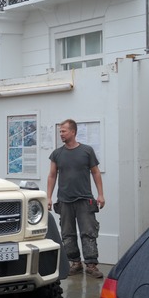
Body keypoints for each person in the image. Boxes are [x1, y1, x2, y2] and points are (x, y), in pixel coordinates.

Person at [47, 119, 105, 278]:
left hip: (85, 200)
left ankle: (91, 265)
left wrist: (100, 194)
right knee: (67, 233)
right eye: (60, 131)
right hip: (65, 201)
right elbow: (52, 176)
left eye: (64, 131)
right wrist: (48, 197)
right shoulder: (57, 154)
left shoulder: (87, 151)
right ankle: (75, 263)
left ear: (73, 132)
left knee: (88, 232)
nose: (61, 134)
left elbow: (96, 172)